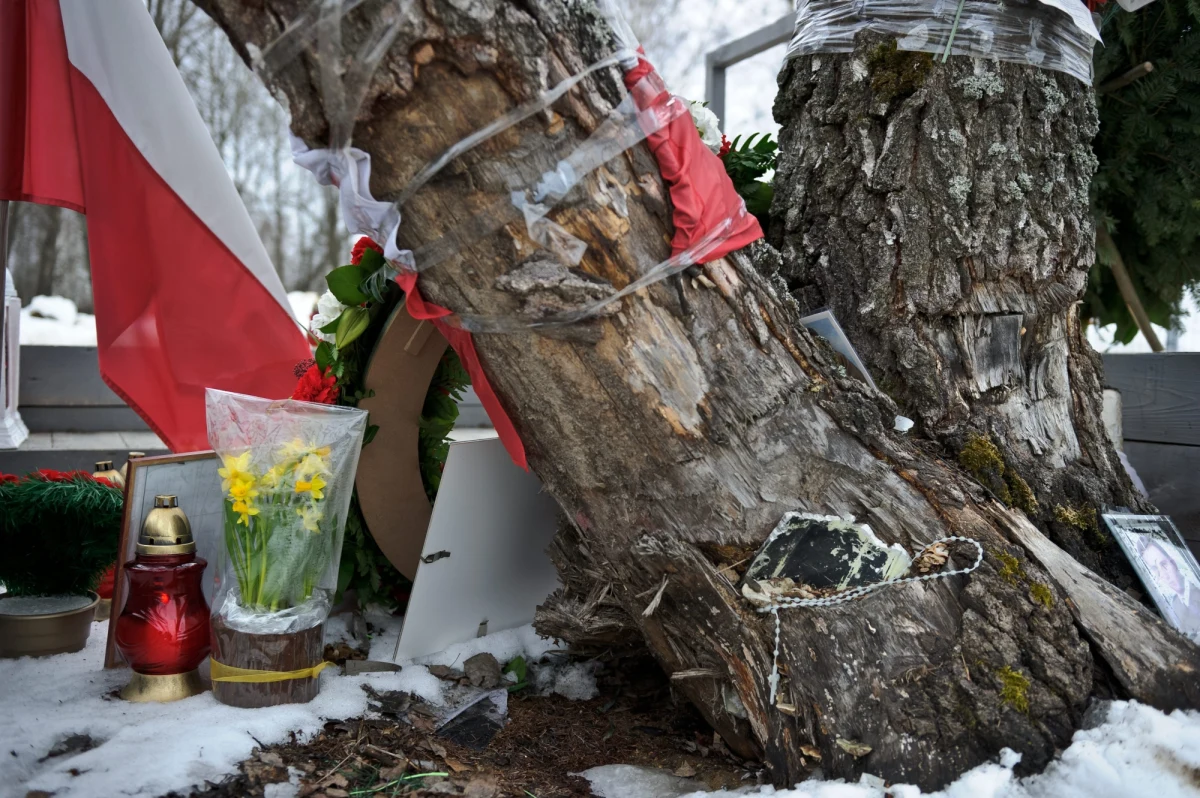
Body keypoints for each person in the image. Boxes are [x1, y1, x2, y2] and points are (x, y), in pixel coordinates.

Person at [1137, 537, 1200, 635]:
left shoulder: (1197, 587)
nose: (1163, 574)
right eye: (1155, 569)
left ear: (1173, 563)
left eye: (1164, 564)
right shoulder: (1175, 605)